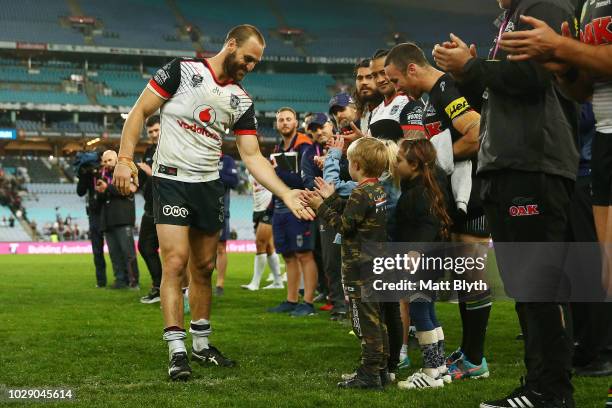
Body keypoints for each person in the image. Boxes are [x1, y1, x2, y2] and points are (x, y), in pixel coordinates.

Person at [112, 24, 312, 381]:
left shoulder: (242, 101)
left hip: (208, 186)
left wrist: (284, 192)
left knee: (203, 268)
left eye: (256, 63)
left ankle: (202, 345)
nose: (250, 66)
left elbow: (251, 156)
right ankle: (177, 350)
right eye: (248, 58)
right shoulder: (181, 71)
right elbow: (139, 113)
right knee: (175, 262)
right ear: (230, 45)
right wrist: (126, 160)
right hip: (171, 180)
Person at [432, 0, 579, 406]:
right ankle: (538, 387)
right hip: (508, 164)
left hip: (534, 162)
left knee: (540, 284)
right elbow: (496, 91)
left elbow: (534, 76)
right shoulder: (509, 18)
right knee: (525, 288)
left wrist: (472, 67)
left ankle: (551, 392)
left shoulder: (544, 5)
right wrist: (467, 71)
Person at [385, 42, 492, 381]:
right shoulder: (431, 98)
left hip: (475, 192)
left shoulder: (447, 88)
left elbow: (477, 134)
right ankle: (470, 354)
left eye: (396, 79)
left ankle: (475, 359)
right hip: (458, 194)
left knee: (471, 275)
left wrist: (434, 162)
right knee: (463, 276)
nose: (396, 88)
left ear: (412, 69)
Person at [498, 0, 612, 298]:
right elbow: (584, 91)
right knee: (609, 276)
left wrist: (562, 46)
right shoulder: (587, 5)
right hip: (604, 138)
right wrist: (565, 70)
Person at [302, 137, 390, 389]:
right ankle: (379, 369)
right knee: (376, 319)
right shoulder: (376, 189)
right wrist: (331, 199)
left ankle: (369, 373)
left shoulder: (361, 192)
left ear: (358, 165)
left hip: (359, 268)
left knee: (364, 322)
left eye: (349, 162)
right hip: (375, 266)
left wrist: (320, 206)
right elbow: (354, 214)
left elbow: (344, 225)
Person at [394, 138, 451, 390]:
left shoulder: (419, 192)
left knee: (419, 311)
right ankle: (440, 368)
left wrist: (416, 250)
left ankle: (430, 372)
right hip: (435, 257)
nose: (395, 164)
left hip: (424, 259)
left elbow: (429, 224)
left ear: (414, 164)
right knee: (427, 310)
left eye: (398, 161)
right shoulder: (426, 185)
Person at [267, 107, 319, 317]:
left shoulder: (304, 145)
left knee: (304, 254)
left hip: (300, 207)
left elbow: (304, 180)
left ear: (296, 122)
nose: (285, 123)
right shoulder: (279, 146)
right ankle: (291, 299)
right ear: (277, 124)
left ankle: (307, 302)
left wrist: (277, 172)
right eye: (281, 120)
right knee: (288, 255)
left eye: (289, 119)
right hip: (280, 208)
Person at [98, 150, 139, 289]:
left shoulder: (125, 172)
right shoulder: (103, 177)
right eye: (104, 161)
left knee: (128, 253)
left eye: (109, 160)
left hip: (123, 219)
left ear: (116, 160)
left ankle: (133, 282)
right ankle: (120, 280)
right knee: (114, 255)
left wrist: (107, 187)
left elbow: (127, 190)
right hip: (108, 222)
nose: (106, 163)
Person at [241, 171, 283, 290]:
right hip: (257, 209)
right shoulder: (247, 169)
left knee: (260, 243)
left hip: (268, 208)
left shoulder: (264, 164)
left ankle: (255, 283)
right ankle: (278, 282)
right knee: (269, 246)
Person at [138, 115, 163, 304]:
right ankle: (160, 286)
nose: (154, 134)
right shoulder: (148, 150)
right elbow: (144, 180)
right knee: (145, 247)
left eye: (156, 130)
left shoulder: (171, 148)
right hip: (150, 206)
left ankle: (165, 287)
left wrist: (150, 171)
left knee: (174, 251)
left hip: (166, 205)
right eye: (150, 132)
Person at [76, 151, 107, 288]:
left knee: (116, 248)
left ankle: (123, 279)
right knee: (97, 250)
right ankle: (101, 281)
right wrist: (84, 175)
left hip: (110, 211)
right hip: (94, 214)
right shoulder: (88, 174)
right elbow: (80, 192)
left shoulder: (109, 172)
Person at [214, 153, 239, 296]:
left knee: (221, 248)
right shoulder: (199, 155)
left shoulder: (227, 160)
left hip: (221, 210)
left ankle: (220, 284)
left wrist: (214, 172)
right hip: (200, 210)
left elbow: (234, 181)